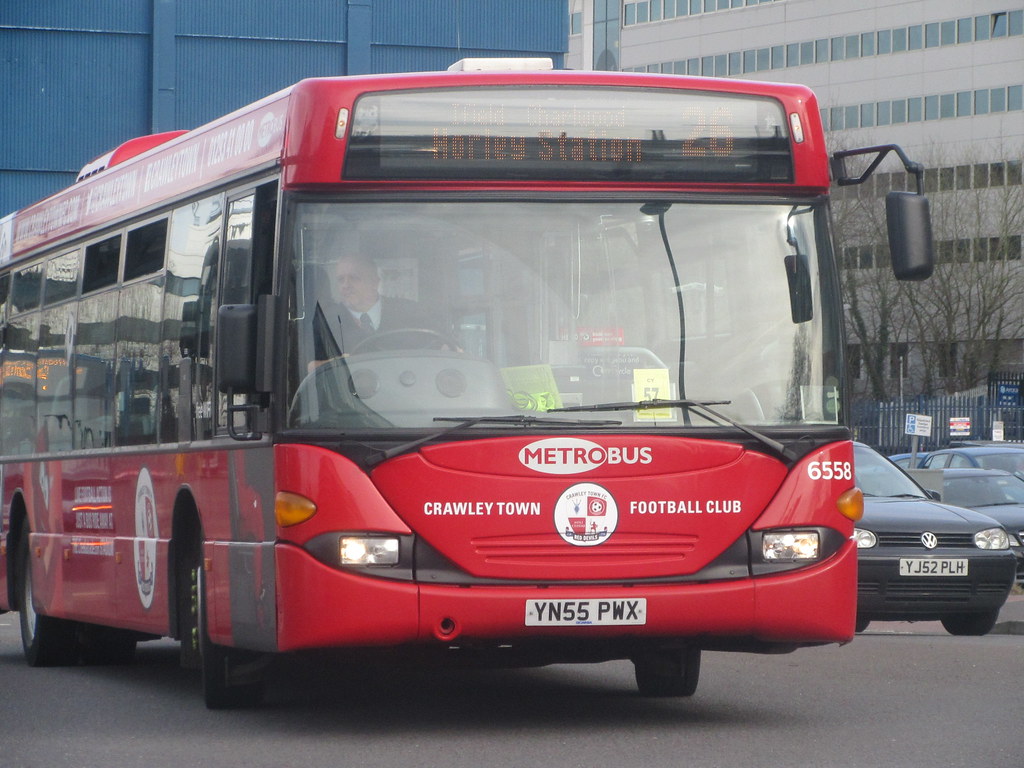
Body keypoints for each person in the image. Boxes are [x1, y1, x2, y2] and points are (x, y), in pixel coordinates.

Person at [313, 253, 448, 360]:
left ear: (374, 282)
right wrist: (336, 364)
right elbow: (309, 367)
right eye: (340, 280)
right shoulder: (326, 320)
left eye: (354, 278)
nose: (345, 285)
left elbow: (444, 347)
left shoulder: (409, 311)